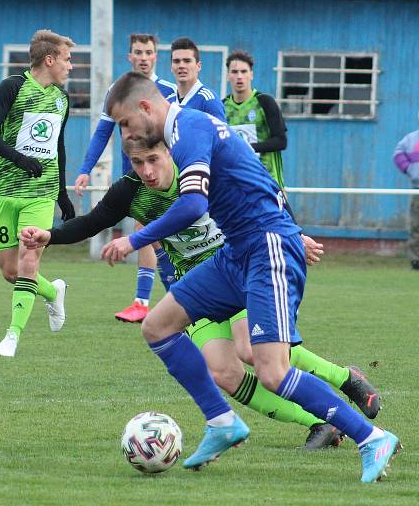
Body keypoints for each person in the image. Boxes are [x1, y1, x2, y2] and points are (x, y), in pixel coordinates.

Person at [99, 72, 399, 482]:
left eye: (124, 123)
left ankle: (371, 437)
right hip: (237, 251)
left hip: (267, 247)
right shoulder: (186, 130)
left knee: (271, 370)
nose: (124, 132)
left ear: (145, 108)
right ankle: (222, 422)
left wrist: (133, 242)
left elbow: (191, 206)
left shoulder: (188, 129)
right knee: (158, 325)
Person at [21, 139, 381, 449]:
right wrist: (49, 235)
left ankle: (344, 378)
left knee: (251, 350)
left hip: (239, 267)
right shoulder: (129, 191)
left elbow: (264, 191)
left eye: (153, 160)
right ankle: (319, 423)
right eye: (137, 162)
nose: (147, 170)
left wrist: (292, 235)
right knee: (224, 372)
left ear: (170, 153)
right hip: (194, 286)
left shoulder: (199, 174)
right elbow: (90, 222)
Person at [0, 29, 76, 357]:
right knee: (11, 271)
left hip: (41, 194)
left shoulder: (62, 99)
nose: (70, 66)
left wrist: (61, 194)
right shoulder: (12, 88)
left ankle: (12, 336)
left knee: (29, 259)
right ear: (50, 59)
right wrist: (20, 159)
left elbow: (58, 147)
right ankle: (52, 292)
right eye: (67, 59)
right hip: (4, 191)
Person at [73, 33, 178, 323]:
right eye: (138, 52)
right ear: (129, 57)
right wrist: (85, 169)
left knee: (162, 239)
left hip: (166, 179)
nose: (143, 57)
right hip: (135, 178)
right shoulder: (117, 92)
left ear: (156, 56)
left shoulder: (168, 91)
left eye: (148, 52)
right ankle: (149, 301)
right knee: (150, 237)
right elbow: (102, 133)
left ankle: (173, 299)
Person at [223, 50, 287, 188]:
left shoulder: (265, 102)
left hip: (267, 182)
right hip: (236, 184)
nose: (239, 76)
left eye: (244, 71)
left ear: (251, 74)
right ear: (228, 76)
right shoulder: (222, 107)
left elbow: (281, 141)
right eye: (234, 72)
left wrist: (247, 148)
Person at [169, 37, 226, 121]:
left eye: (187, 61)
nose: (181, 66)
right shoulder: (168, 102)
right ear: (171, 67)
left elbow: (222, 134)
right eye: (176, 61)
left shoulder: (209, 100)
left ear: (198, 66)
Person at [393, 123, 419, 270]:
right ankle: (416, 261)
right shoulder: (411, 139)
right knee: (416, 226)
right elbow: (398, 153)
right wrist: (409, 169)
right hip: (417, 189)